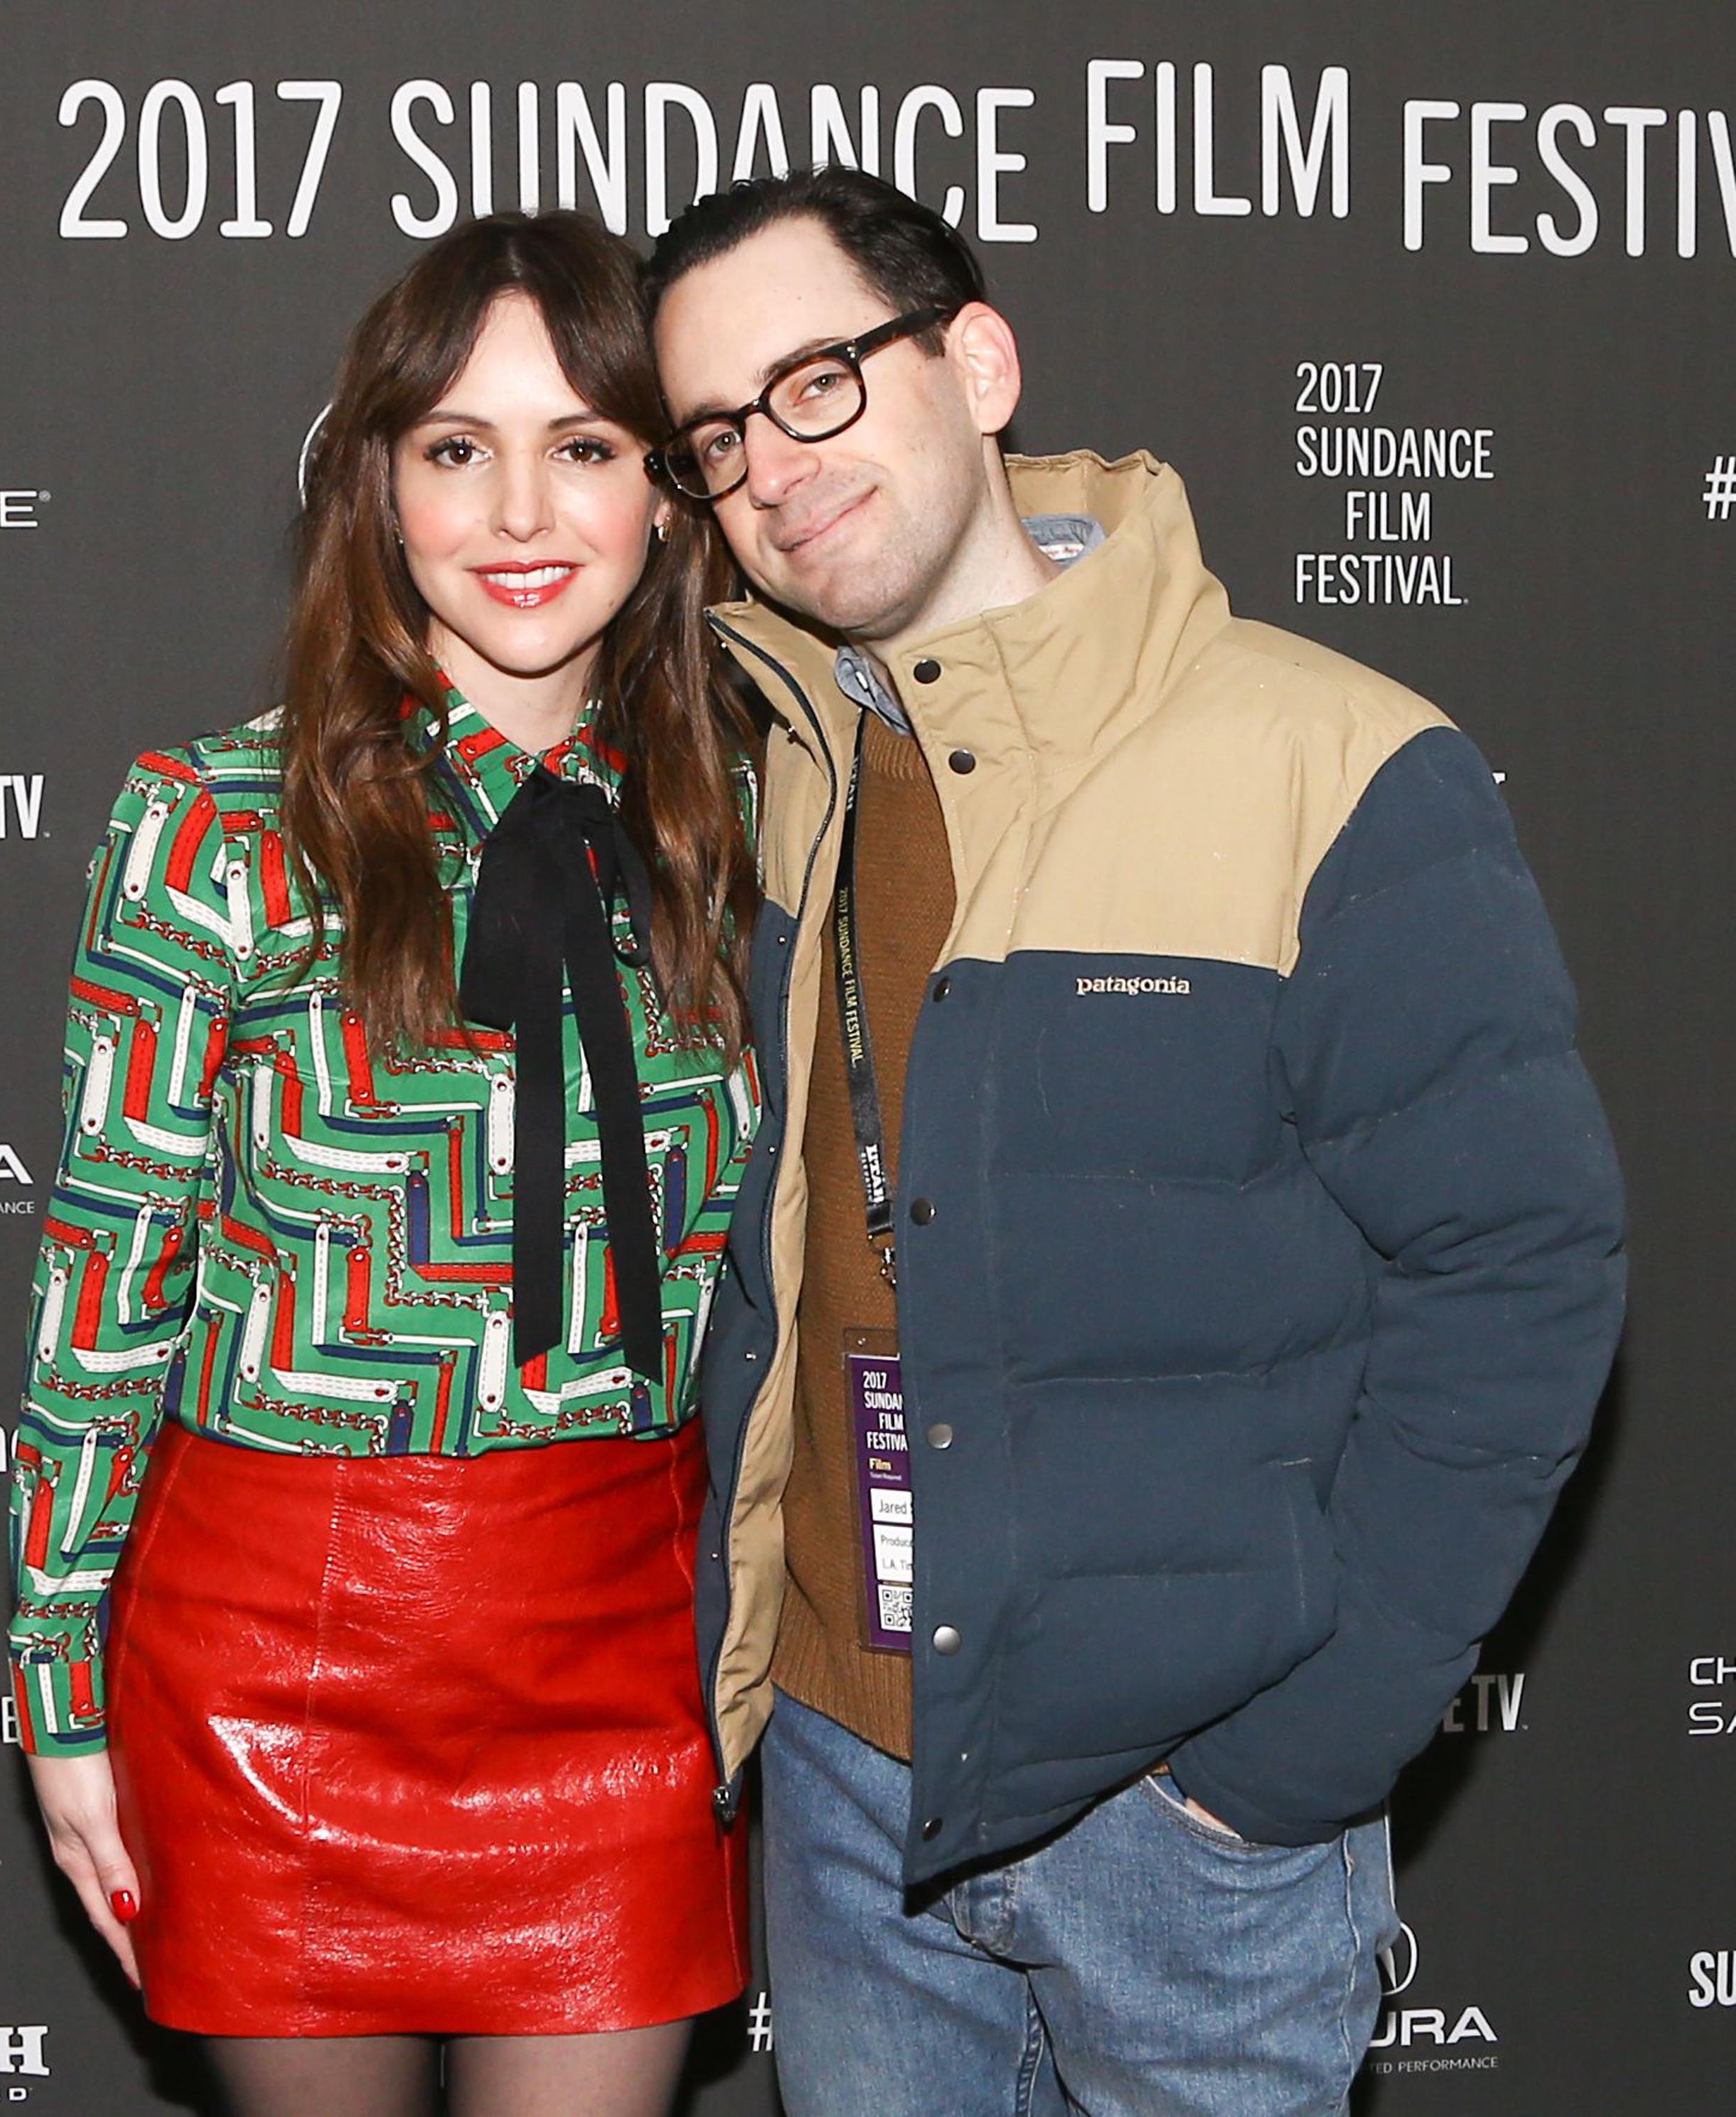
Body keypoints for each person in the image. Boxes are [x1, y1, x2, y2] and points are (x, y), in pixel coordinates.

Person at [644, 167, 1627, 2117]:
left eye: (819, 381)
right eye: (717, 435)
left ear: (977, 362)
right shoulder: (772, 784)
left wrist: (1281, 1767)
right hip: (845, 1791)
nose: (772, 463)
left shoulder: (1328, 761)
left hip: (1183, 1821)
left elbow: (1521, 1272)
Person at [8, 211, 759, 2117]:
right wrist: (53, 1688)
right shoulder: (216, 825)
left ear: (669, 497)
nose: (520, 508)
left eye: (583, 446)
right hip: (276, 1666)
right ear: (376, 486)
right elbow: (106, 1278)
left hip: (619, 1649)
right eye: (454, 448)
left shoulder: (749, 821)